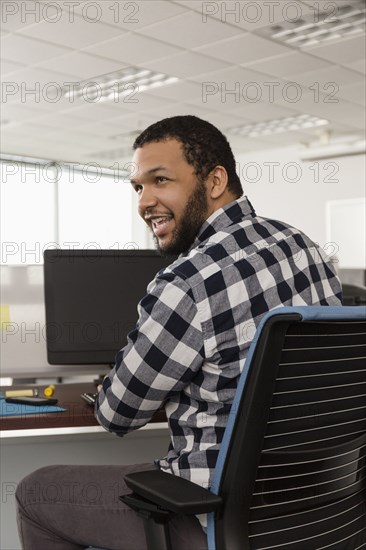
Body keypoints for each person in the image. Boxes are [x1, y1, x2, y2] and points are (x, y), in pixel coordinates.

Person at [16, 115, 342, 550]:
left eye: (161, 180)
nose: (144, 201)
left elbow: (117, 414)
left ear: (215, 181)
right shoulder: (304, 247)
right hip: (321, 508)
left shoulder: (187, 281)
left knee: (35, 492)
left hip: (216, 518)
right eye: (137, 187)